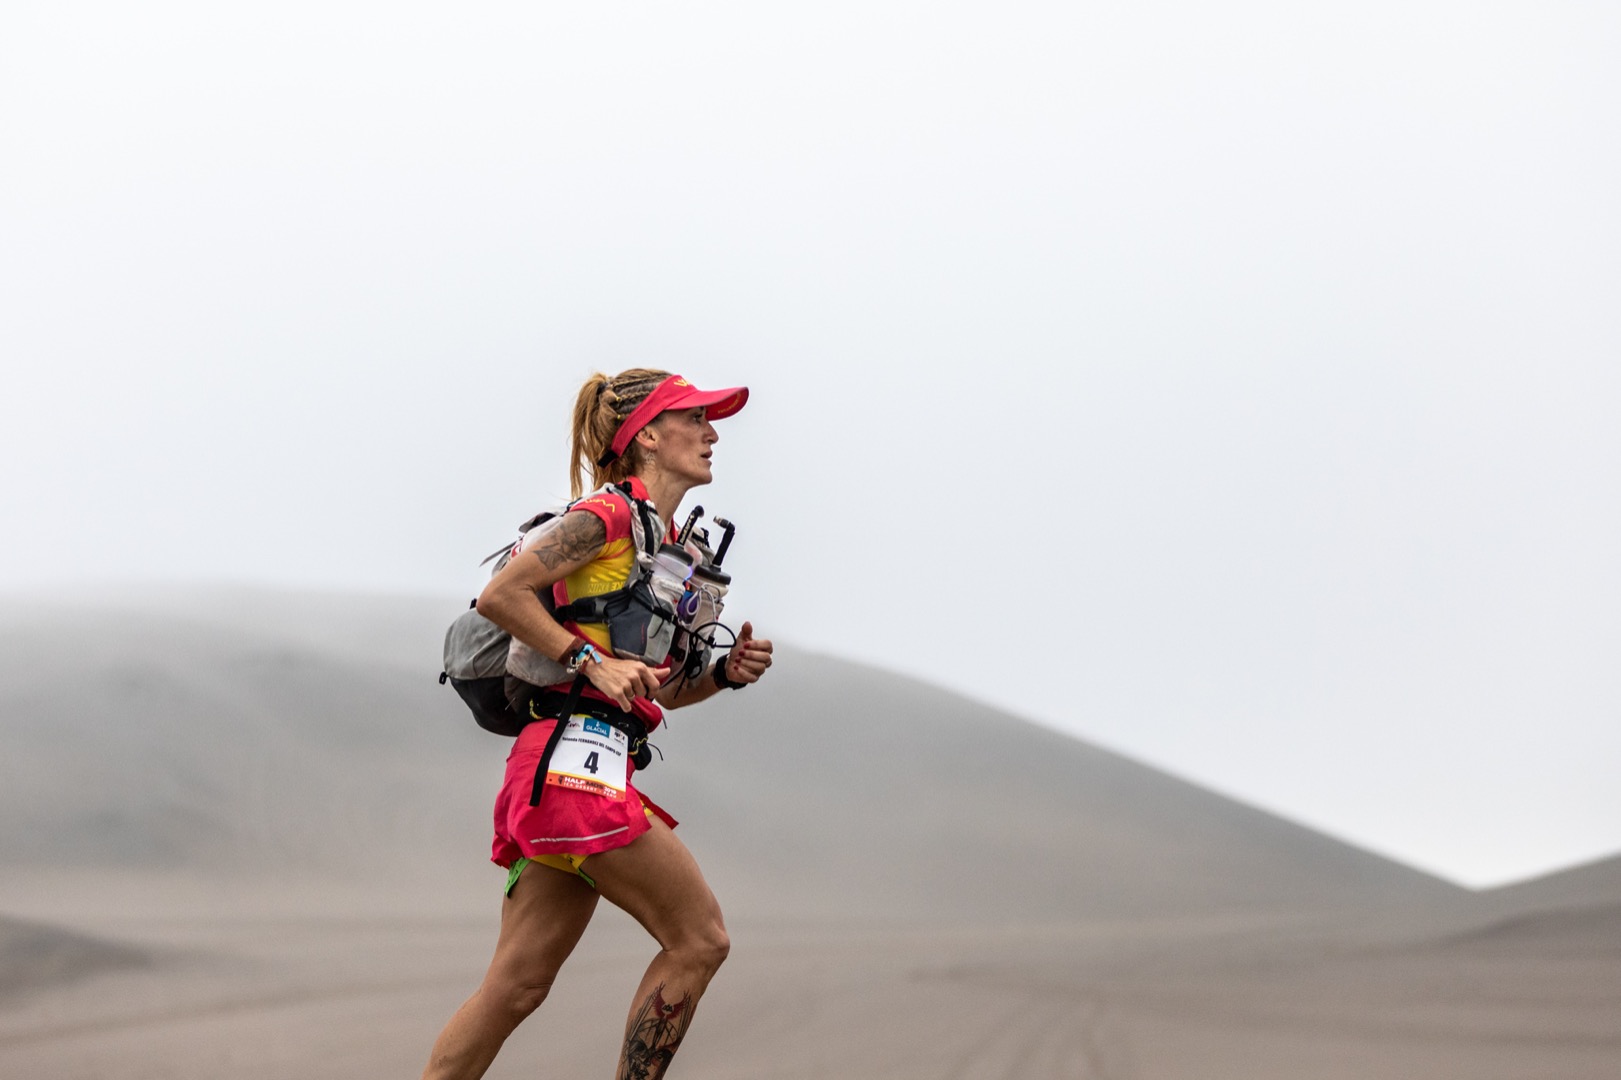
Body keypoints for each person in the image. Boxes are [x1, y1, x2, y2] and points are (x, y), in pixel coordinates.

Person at [422, 368, 774, 1080]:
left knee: (516, 987)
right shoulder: (606, 517)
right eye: (694, 418)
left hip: (573, 765)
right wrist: (590, 661)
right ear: (646, 433)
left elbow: (656, 691)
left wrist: (719, 676)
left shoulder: (669, 545)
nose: (711, 434)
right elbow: (501, 595)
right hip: (569, 767)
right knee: (699, 939)